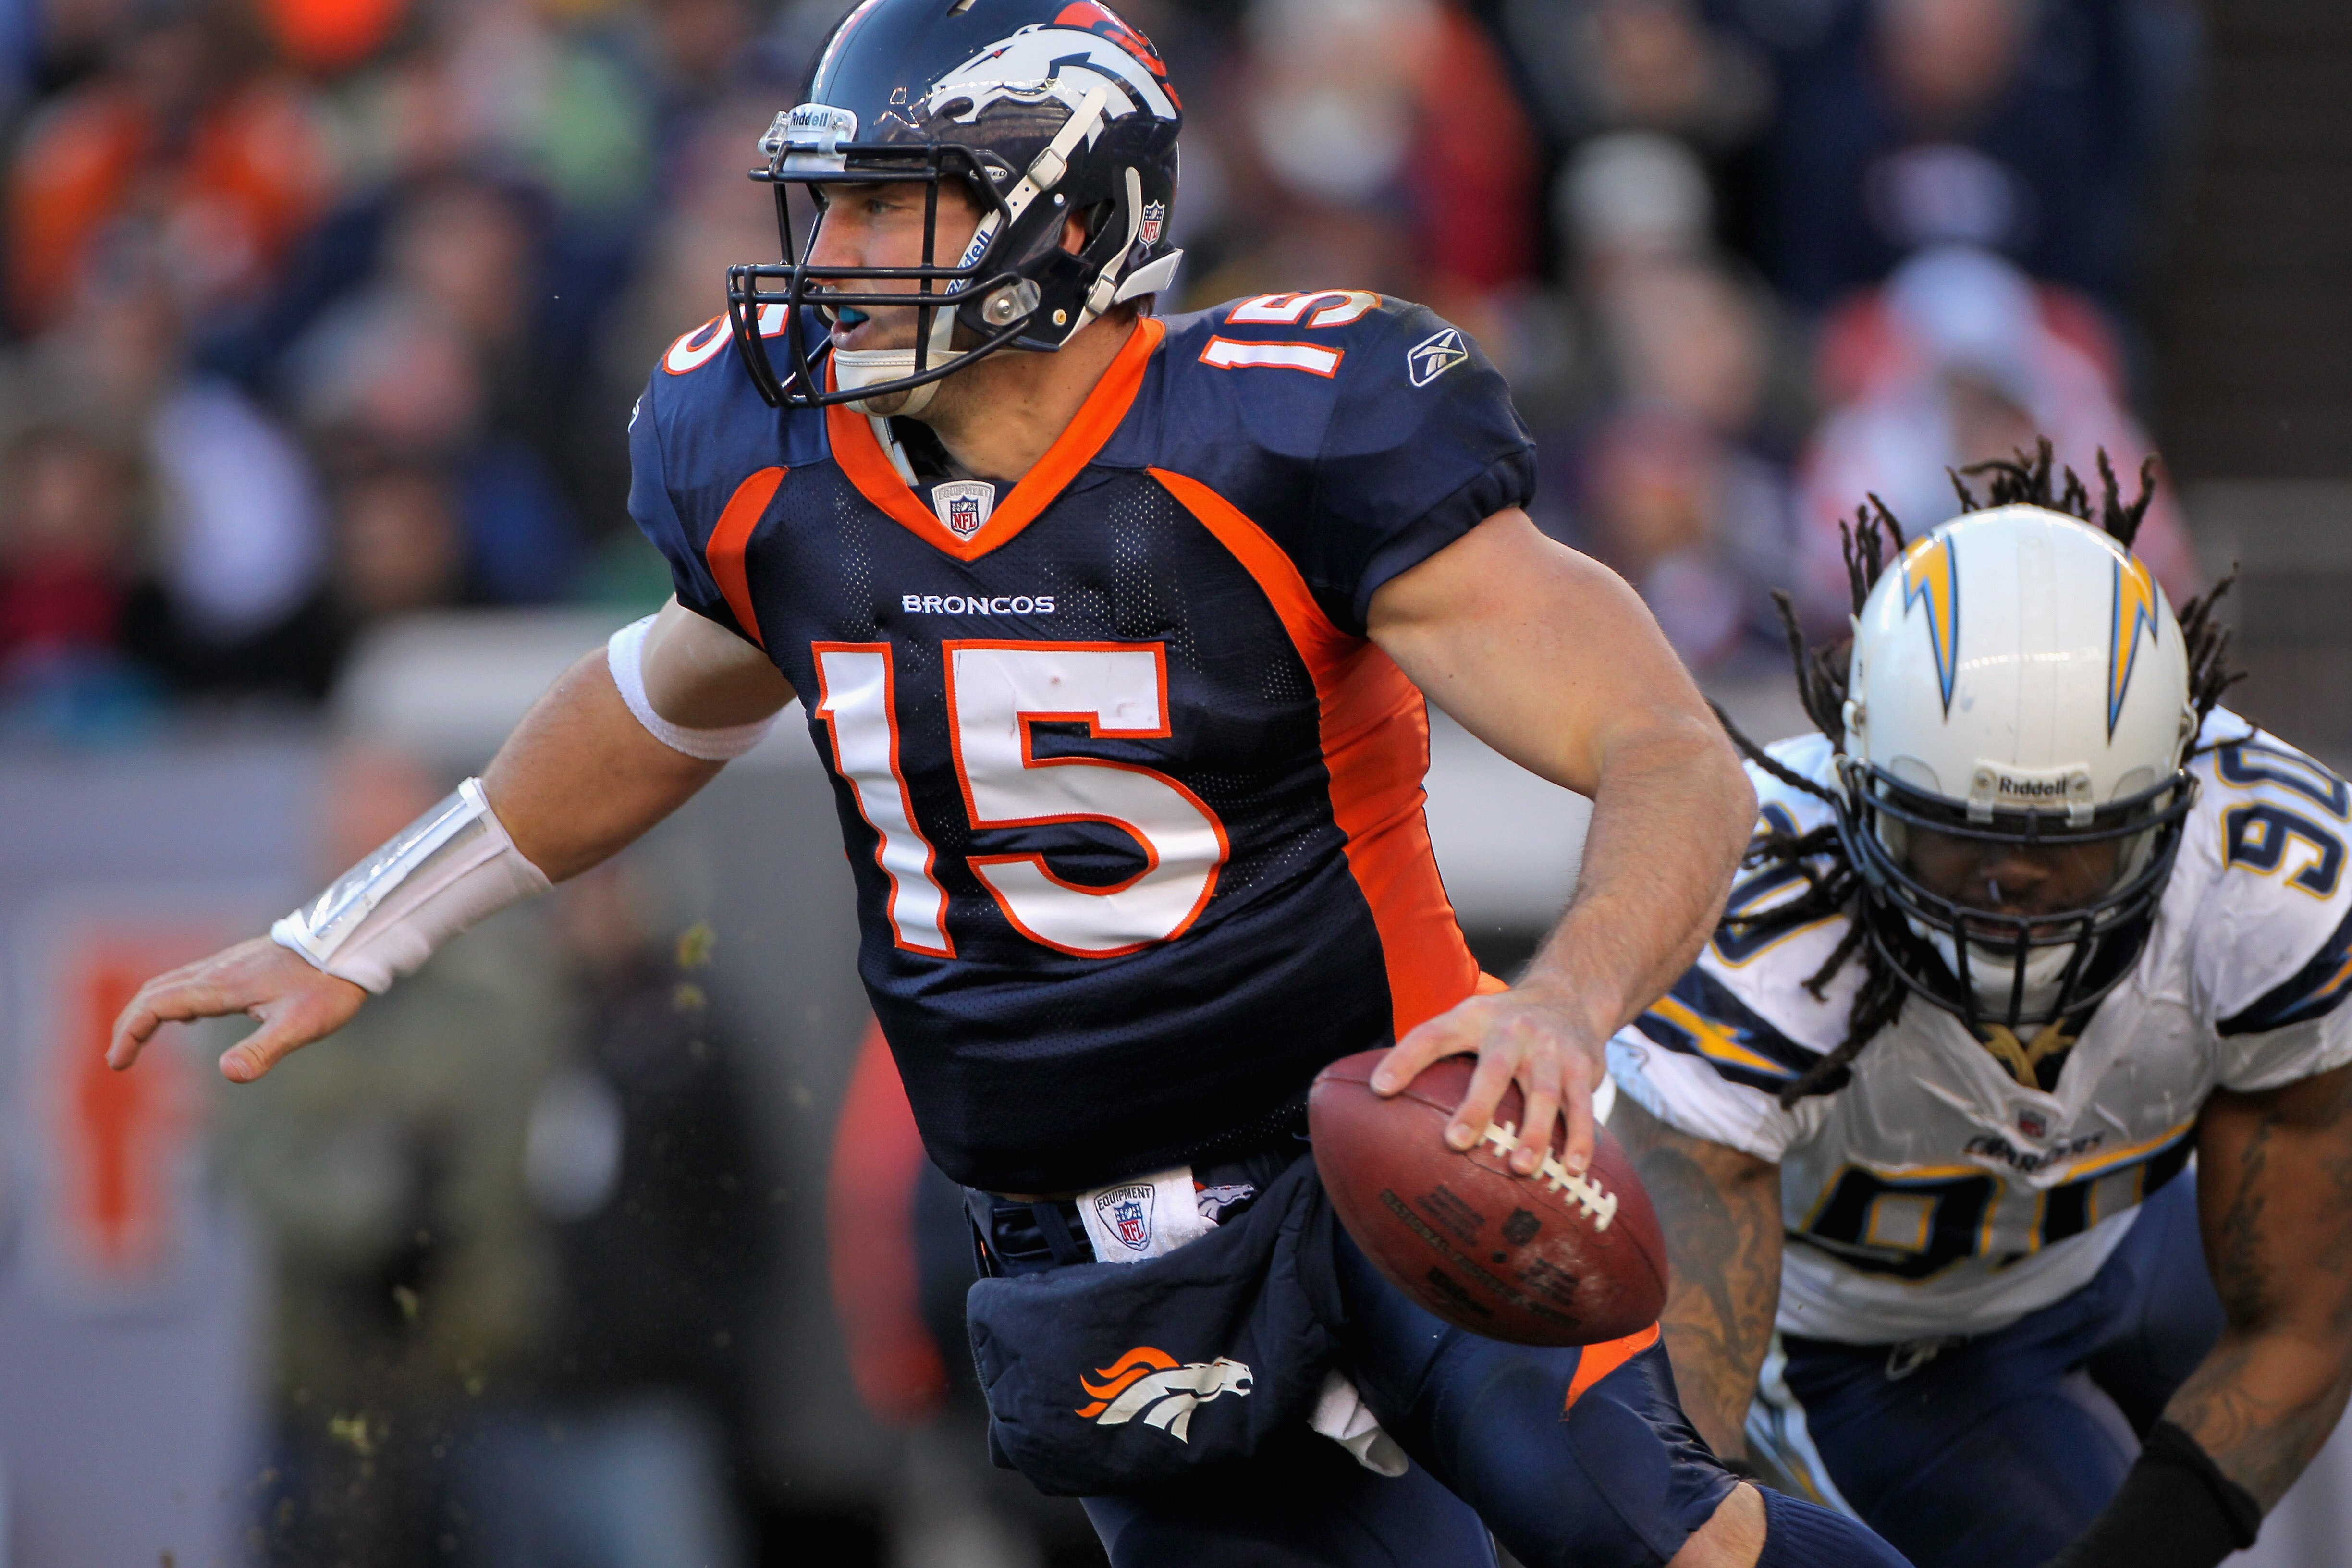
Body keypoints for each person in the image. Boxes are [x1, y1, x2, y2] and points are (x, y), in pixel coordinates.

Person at [106, 3, 1912, 1564]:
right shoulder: (776, 468)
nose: (831, 255)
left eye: (893, 204)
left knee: (1654, 1533)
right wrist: (363, 930)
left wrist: (1566, 1003)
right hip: (1085, 1250)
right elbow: (653, 705)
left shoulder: (1279, 433)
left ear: (1070, 220)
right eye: (829, 203)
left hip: (1383, 1150)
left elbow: (1670, 751)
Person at [1605, 448, 2352, 1568]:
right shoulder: (1750, 910)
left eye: (2073, 847)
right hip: (1864, 1347)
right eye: (1964, 839)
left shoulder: (2270, 888)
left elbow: (2303, 1322)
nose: (2019, 896)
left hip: (2118, 1250)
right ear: (1857, 780)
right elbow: (1680, 1441)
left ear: (2172, 801)